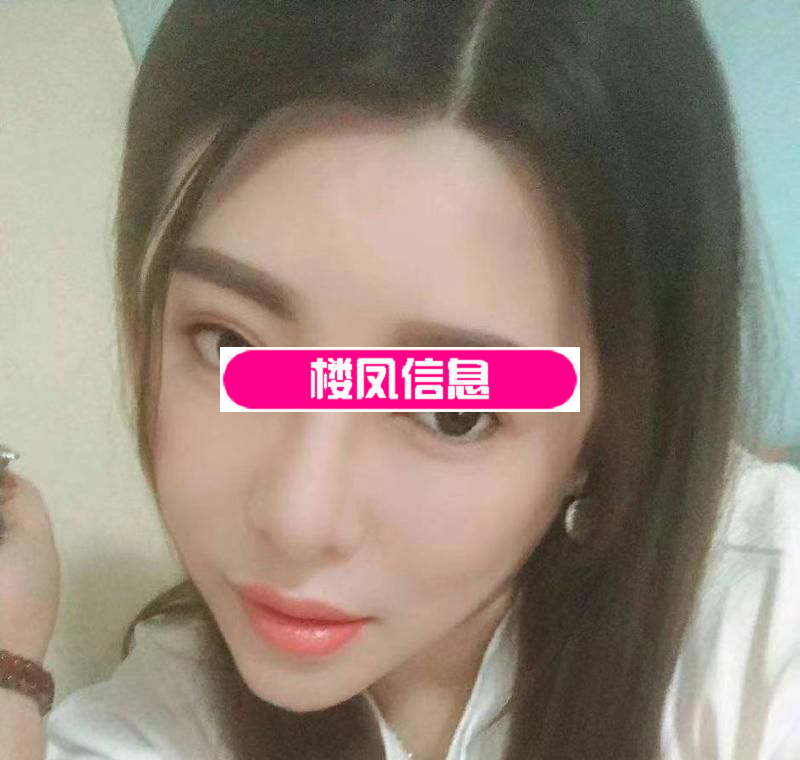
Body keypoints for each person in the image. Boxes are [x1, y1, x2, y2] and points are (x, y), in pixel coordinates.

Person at [1, 1, 798, 758]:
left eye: (452, 408)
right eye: (231, 346)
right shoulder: (167, 710)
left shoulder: (765, 627)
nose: (298, 518)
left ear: (608, 426)